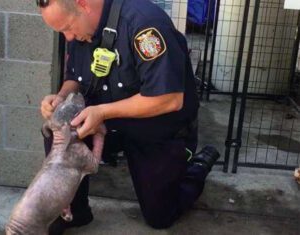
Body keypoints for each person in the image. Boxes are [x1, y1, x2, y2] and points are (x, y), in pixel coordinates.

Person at [38, 0, 220, 234]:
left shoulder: (144, 24)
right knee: (58, 130)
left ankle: (197, 167)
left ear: (83, 4)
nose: (69, 38)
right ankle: (75, 211)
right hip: (108, 120)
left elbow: (169, 99)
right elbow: (76, 76)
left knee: (160, 216)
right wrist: (61, 97)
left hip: (156, 126)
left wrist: (102, 112)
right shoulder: (80, 27)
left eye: (68, 27)